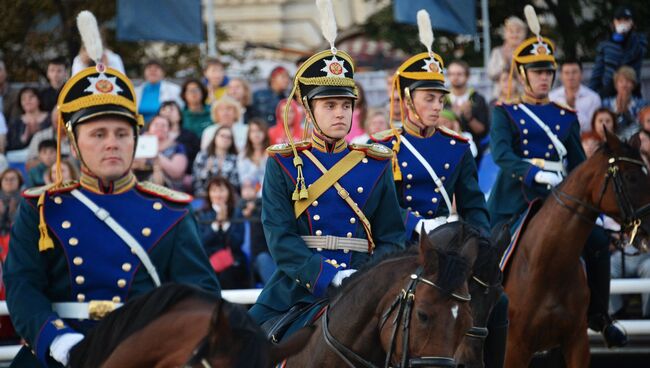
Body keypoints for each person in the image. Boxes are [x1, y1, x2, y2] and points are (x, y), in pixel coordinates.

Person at [2, 27, 220, 366]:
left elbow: (202, 296)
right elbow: (22, 285)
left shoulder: (169, 210)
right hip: (59, 352)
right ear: (74, 144)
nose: (111, 143)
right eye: (98, 133)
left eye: (122, 133)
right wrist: (57, 340)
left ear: (136, 140)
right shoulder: (42, 208)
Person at [248, 8, 405, 341]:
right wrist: (328, 277)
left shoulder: (376, 164)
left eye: (346, 106)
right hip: (297, 288)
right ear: (309, 109)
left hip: (367, 286)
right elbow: (280, 238)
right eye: (330, 105)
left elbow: (391, 237)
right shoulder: (283, 164)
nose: (340, 113)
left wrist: (365, 278)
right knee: (238, 347)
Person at [487, 16, 627, 349]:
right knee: (488, 251)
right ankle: (485, 317)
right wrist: (533, 172)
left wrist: (597, 206)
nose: (544, 78)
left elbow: (581, 166)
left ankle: (599, 317)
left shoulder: (565, 116)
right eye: (537, 72)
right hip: (516, 200)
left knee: (596, 242)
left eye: (548, 72)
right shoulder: (505, 112)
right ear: (522, 75)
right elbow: (502, 155)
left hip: (559, 199)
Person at [197, 177, 250, 289]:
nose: (218, 195)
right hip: (209, 260)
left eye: (221, 190)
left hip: (233, 261)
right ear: (209, 194)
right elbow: (201, 242)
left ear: (228, 193)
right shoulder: (202, 214)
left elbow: (237, 242)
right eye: (214, 191)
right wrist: (216, 225)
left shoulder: (236, 213)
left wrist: (225, 224)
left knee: (230, 273)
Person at [589, 5, 647, 98]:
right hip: (607, 92)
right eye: (619, 20)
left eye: (626, 20)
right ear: (614, 23)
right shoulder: (606, 45)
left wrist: (627, 37)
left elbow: (636, 54)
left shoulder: (639, 40)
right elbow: (597, 72)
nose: (623, 23)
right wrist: (590, 94)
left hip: (631, 93)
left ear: (632, 23)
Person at [444, 59, 490, 159]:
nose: (455, 77)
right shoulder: (442, 99)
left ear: (467, 76)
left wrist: (468, 116)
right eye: (451, 74)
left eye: (459, 74)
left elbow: (482, 131)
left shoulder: (478, 99)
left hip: (474, 152)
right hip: (446, 150)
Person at [133, 115, 188, 191]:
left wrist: (155, 154)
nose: (160, 127)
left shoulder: (177, 146)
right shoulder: (138, 143)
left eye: (163, 125)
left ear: (169, 130)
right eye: (156, 125)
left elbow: (176, 172)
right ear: (149, 128)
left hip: (169, 189)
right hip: (137, 184)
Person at [549, 59, 601, 133]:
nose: (570, 76)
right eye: (566, 73)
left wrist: (573, 109)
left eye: (574, 72)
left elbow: (592, 126)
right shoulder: (552, 97)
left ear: (581, 74)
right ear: (561, 76)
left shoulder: (593, 98)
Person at [601, 66, 647, 141]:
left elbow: (644, 126)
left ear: (633, 84)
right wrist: (617, 114)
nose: (624, 85)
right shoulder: (606, 103)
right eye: (621, 81)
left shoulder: (642, 104)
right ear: (616, 85)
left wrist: (627, 115)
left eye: (628, 81)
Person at [487, 16, 527, 100]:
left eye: (518, 31)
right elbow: (491, 74)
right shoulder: (497, 52)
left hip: (523, 97)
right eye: (511, 31)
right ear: (505, 34)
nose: (514, 34)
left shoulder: (528, 54)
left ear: (524, 34)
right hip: (500, 97)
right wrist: (505, 63)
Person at [193, 126, 240, 196]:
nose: (225, 139)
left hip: (228, 197)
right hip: (204, 195)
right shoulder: (203, 156)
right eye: (222, 136)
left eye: (229, 137)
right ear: (215, 137)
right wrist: (206, 170)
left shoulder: (235, 159)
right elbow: (196, 180)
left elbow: (236, 184)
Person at [158, 100, 201, 177]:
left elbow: (196, 160)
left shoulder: (190, 136)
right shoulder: (153, 135)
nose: (167, 112)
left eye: (171, 109)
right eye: (164, 109)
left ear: (180, 115)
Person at [7, 87, 51, 152]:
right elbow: (10, 145)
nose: (27, 101)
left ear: (39, 100)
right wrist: (24, 138)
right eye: (23, 99)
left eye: (31, 97)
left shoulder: (50, 118)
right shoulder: (16, 122)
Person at [238, 118, 269, 186]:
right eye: (253, 131)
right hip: (249, 190)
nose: (256, 134)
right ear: (248, 134)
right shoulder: (243, 154)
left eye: (259, 130)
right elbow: (243, 179)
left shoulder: (270, 153)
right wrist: (255, 166)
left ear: (265, 133)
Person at [0, 168, 23, 260]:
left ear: (19, 181)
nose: (9, 182)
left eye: (13, 179)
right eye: (6, 179)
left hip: (18, 242)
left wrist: (12, 213)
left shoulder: (25, 200)